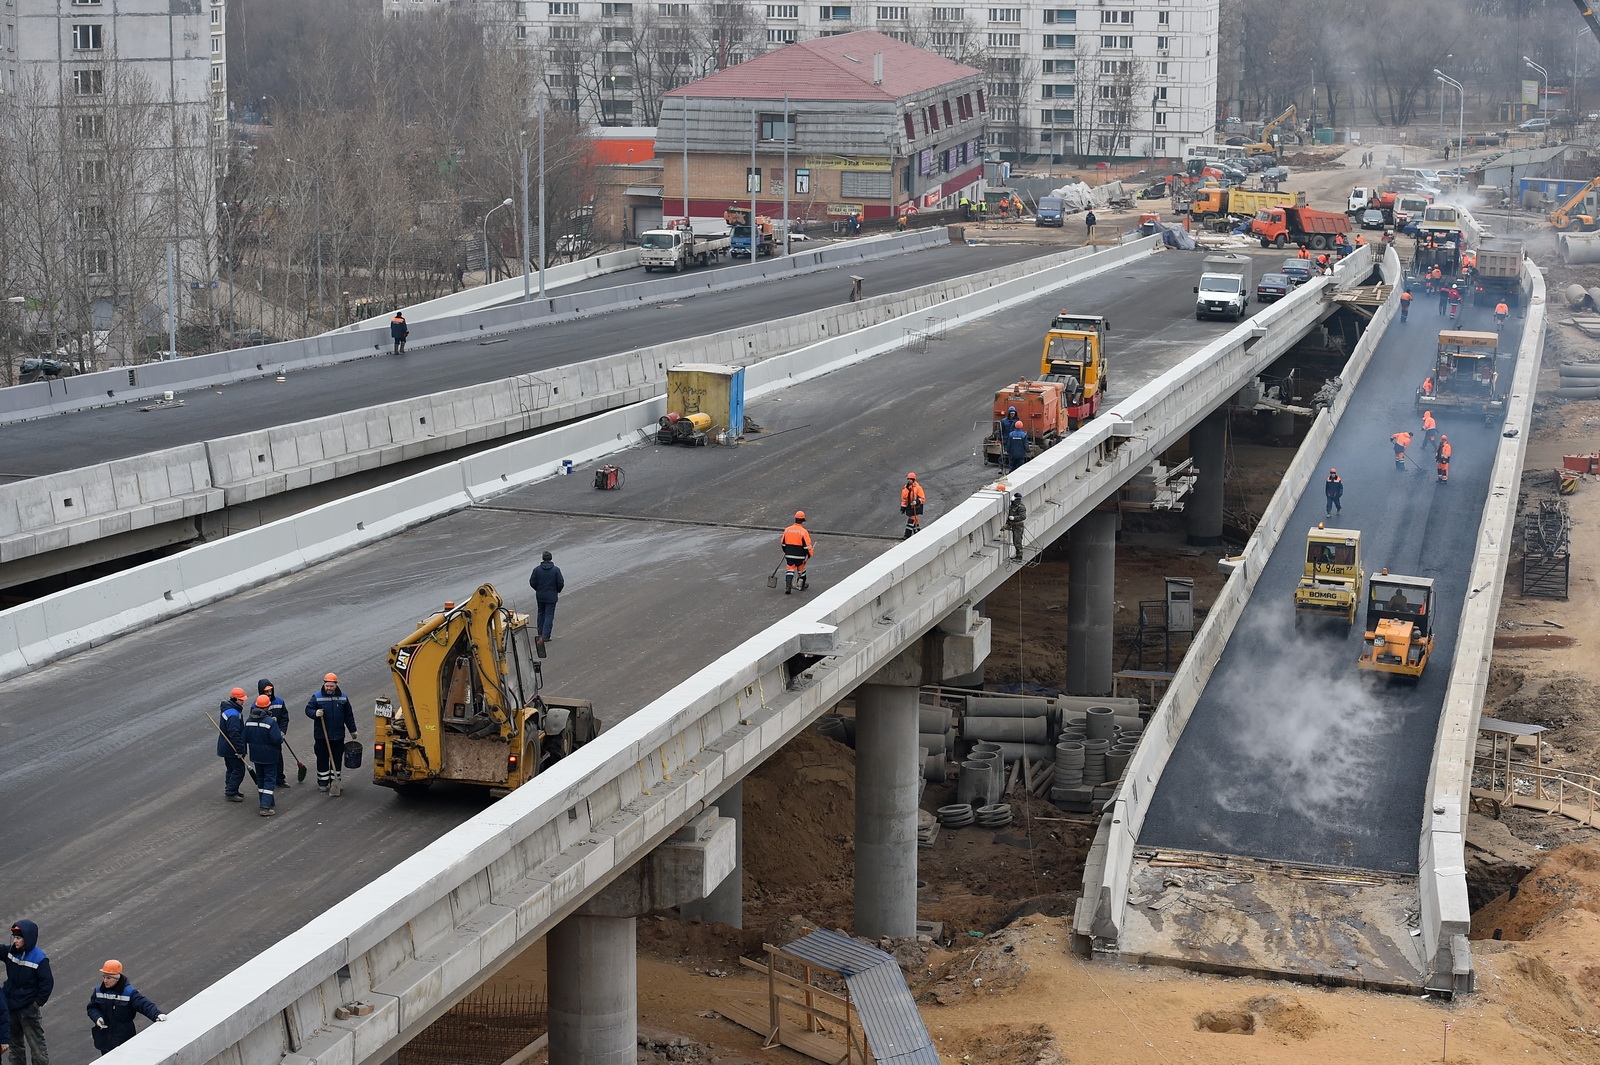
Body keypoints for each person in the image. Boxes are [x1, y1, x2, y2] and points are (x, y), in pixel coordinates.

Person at [86, 962, 164, 1056]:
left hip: (124, 1039)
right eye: (104, 977)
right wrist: (97, 1017)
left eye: (109, 978)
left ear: (117, 978)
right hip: (105, 1040)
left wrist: (156, 1014)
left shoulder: (129, 992)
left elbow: (144, 1005)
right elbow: (92, 1007)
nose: (105, 981)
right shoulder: (98, 991)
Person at [5, 921, 52, 1065]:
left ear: (27, 938)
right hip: (11, 1007)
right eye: (14, 937)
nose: (15, 941)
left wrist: (36, 1004)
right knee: (14, 1046)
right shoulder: (11, 952)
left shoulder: (39, 958)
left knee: (36, 1046)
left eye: (18, 938)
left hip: (28, 1010)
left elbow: (47, 983)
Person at [305, 674, 357, 794]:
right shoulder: (317, 697)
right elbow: (308, 709)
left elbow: (348, 715)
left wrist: (353, 730)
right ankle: (323, 783)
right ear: (324, 685)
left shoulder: (343, 697)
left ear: (336, 685)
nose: (328, 688)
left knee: (337, 759)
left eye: (331, 686)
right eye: (327, 686)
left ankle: (335, 782)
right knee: (322, 759)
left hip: (338, 736)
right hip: (322, 736)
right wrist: (315, 713)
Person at [244, 696, 283, 817]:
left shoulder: (249, 720)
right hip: (270, 756)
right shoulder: (270, 722)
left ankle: (266, 800)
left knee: (260, 779)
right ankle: (265, 806)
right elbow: (277, 740)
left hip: (256, 755)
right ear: (267, 707)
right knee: (270, 780)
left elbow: (244, 738)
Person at [216, 688, 249, 803]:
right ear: (234, 699)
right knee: (239, 770)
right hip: (232, 748)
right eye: (241, 700)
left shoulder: (228, 710)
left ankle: (231, 789)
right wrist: (240, 750)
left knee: (231, 769)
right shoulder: (233, 714)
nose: (243, 702)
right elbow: (234, 733)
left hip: (225, 747)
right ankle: (231, 792)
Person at [257, 680, 290, 790]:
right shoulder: (256, 705)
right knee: (264, 761)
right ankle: (266, 781)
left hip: (276, 737)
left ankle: (279, 779)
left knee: (278, 758)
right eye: (266, 691)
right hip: (263, 740)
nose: (269, 693)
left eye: (270, 691)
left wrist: (282, 731)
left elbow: (284, 718)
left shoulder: (279, 702)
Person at [528, 551, 564, 651]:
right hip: (551, 596)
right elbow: (560, 582)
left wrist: (538, 589)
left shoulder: (537, 570)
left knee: (541, 613)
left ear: (543, 558)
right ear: (551, 558)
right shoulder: (556, 570)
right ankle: (546, 636)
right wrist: (557, 590)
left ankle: (540, 633)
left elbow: (532, 582)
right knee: (549, 615)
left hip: (540, 595)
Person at [780, 511, 813, 595]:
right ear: (803, 521)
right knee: (801, 570)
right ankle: (801, 585)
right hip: (800, 555)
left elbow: (783, 543)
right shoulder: (803, 532)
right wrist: (810, 554)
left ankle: (788, 587)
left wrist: (786, 551)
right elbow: (807, 546)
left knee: (790, 570)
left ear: (795, 519)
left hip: (789, 554)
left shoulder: (787, 529)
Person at [899, 473, 926, 539]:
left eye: (910, 479)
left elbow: (922, 498)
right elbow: (904, 499)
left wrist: (916, 502)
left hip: (916, 506)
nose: (909, 480)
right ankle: (917, 532)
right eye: (908, 479)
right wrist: (903, 508)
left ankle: (907, 535)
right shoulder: (905, 489)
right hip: (910, 506)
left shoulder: (918, 488)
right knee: (915, 520)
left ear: (914, 480)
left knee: (911, 520)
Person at [1004, 492, 1027, 563]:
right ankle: (1018, 556)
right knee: (1015, 540)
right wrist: (1007, 525)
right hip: (1013, 525)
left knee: (1017, 541)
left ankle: (1019, 557)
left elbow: (1023, 516)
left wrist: (1014, 518)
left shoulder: (1021, 507)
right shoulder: (1013, 505)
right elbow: (1010, 515)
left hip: (1018, 526)